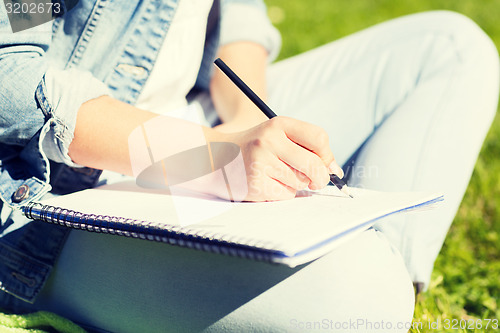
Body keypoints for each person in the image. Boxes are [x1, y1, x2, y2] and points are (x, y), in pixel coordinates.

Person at [0, 0, 498, 332]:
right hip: (53, 193)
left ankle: (379, 276)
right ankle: (366, 283)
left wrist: (241, 125)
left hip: (197, 124)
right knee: (361, 291)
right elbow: (13, 74)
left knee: (451, 47)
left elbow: (239, 19)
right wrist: (212, 156)